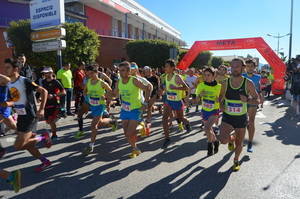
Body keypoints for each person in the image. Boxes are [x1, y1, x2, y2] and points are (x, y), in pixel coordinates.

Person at [4, 58, 52, 172]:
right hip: (21, 116)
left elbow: (44, 91)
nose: (5, 70)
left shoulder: (24, 81)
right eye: (4, 67)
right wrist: (6, 104)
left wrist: (41, 110)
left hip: (30, 115)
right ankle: (45, 161)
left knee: (18, 146)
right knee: (29, 145)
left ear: (16, 69)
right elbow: (14, 100)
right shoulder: (9, 83)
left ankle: (43, 137)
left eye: (8, 68)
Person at [218, 58, 259, 171]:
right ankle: (231, 139)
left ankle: (236, 160)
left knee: (239, 143)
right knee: (223, 140)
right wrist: (221, 104)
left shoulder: (248, 83)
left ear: (242, 68)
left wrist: (247, 100)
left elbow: (257, 100)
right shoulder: (225, 83)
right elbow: (220, 98)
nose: (234, 69)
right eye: (233, 66)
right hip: (227, 117)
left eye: (237, 66)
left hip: (241, 118)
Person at [114, 61, 152, 158]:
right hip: (125, 109)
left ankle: (142, 126)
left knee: (129, 133)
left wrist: (145, 103)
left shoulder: (134, 80)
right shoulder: (119, 82)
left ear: (128, 71)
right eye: (119, 71)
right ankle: (135, 149)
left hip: (136, 109)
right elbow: (115, 94)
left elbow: (148, 88)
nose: (120, 73)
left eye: (122, 71)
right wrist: (106, 95)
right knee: (126, 134)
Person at [82, 65, 115, 155]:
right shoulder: (88, 82)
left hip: (100, 105)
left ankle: (91, 145)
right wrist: (88, 98)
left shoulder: (101, 83)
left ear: (96, 72)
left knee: (93, 125)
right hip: (93, 106)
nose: (90, 75)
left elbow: (110, 92)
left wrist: (105, 97)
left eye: (92, 73)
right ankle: (112, 121)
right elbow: (84, 91)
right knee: (100, 123)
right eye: (88, 74)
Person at [162, 59, 191, 148]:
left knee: (180, 118)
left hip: (177, 101)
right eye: (165, 66)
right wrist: (164, 90)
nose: (165, 68)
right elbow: (167, 87)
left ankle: (187, 123)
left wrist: (175, 88)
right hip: (168, 101)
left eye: (167, 66)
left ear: (172, 67)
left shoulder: (177, 77)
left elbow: (186, 88)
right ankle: (167, 138)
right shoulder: (166, 76)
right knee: (164, 119)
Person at [196, 67, 221, 156]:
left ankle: (209, 145)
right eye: (205, 75)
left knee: (206, 128)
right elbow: (197, 100)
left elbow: (222, 99)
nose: (206, 77)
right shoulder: (201, 85)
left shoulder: (219, 87)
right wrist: (199, 95)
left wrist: (219, 99)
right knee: (209, 130)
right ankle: (216, 141)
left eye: (208, 75)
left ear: (213, 76)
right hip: (205, 111)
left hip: (214, 111)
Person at [41, 67, 66, 140]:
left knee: (51, 120)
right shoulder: (43, 82)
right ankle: (50, 133)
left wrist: (54, 95)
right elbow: (42, 91)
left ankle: (54, 135)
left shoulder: (56, 82)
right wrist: (39, 97)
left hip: (55, 103)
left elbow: (64, 92)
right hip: (46, 103)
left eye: (47, 73)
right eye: (44, 73)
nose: (45, 74)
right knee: (48, 121)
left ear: (51, 73)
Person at [243, 59, 262, 152]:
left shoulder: (258, 77)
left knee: (251, 121)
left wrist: (261, 97)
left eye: (251, 66)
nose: (249, 68)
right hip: (242, 103)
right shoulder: (241, 76)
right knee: (242, 122)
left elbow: (259, 89)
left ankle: (250, 143)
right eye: (248, 66)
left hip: (252, 102)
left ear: (255, 67)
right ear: (245, 67)